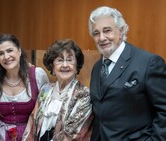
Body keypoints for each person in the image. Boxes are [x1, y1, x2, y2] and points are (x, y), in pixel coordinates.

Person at [88, 6, 166, 141]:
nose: (102, 38)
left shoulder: (149, 63)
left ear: (121, 31)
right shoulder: (97, 67)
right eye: (96, 33)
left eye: (107, 30)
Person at [22, 39, 93, 141]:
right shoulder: (45, 90)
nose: (65, 65)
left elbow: (74, 134)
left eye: (69, 60)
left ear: (77, 66)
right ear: (52, 66)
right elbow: (32, 126)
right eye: (60, 60)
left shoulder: (83, 94)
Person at [0, 34, 49, 141]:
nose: (6, 57)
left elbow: (46, 108)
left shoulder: (37, 75)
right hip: (2, 136)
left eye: (10, 50)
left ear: (19, 51)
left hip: (31, 136)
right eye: (1, 53)